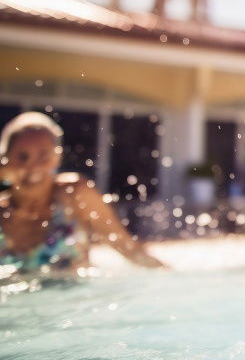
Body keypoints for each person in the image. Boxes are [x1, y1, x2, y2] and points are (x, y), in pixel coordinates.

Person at [0, 112, 164, 273]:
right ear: (5, 159)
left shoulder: (75, 194)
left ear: (57, 157)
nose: (33, 166)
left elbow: (129, 249)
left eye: (43, 155)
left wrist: (170, 279)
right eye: (22, 157)